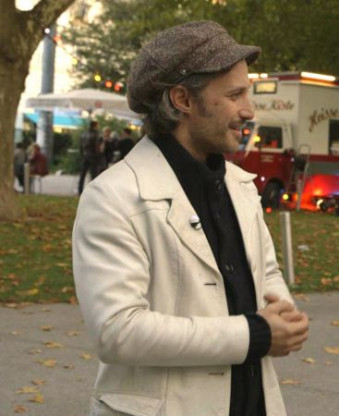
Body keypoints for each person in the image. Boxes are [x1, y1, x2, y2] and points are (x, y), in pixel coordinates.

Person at [72, 21, 309, 416]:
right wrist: (255, 334)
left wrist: (283, 311)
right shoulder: (112, 197)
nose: (248, 111)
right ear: (182, 99)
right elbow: (117, 331)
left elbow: (265, 272)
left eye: (247, 93)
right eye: (234, 95)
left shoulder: (240, 186)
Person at [78, 121, 102, 194]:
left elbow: (80, 146)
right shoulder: (95, 134)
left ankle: (80, 189)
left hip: (85, 155)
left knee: (83, 174)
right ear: (95, 126)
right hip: (93, 156)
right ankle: (92, 191)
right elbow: (96, 146)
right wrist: (98, 156)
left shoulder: (83, 134)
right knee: (93, 174)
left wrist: (81, 155)